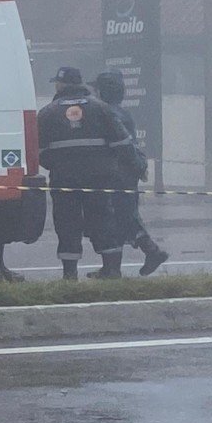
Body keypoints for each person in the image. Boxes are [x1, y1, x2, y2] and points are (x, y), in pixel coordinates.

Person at [35, 65, 135, 280]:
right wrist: (131, 166)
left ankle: (70, 274)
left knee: (67, 223)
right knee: (103, 219)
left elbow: (39, 151)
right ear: (80, 83)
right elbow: (123, 142)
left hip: (64, 179)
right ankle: (112, 269)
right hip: (98, 177)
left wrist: (58, 166)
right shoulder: (101, 108)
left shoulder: (47, 113)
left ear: (61, 85)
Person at [93, 70, 170, 276]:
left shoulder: (108, 114)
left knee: (114, 218)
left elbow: (118, 146)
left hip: (115, 174)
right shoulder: (122, 113)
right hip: (125, 173)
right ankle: (112, 267)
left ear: (101, 92)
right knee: (123, 217)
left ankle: (148, 253)